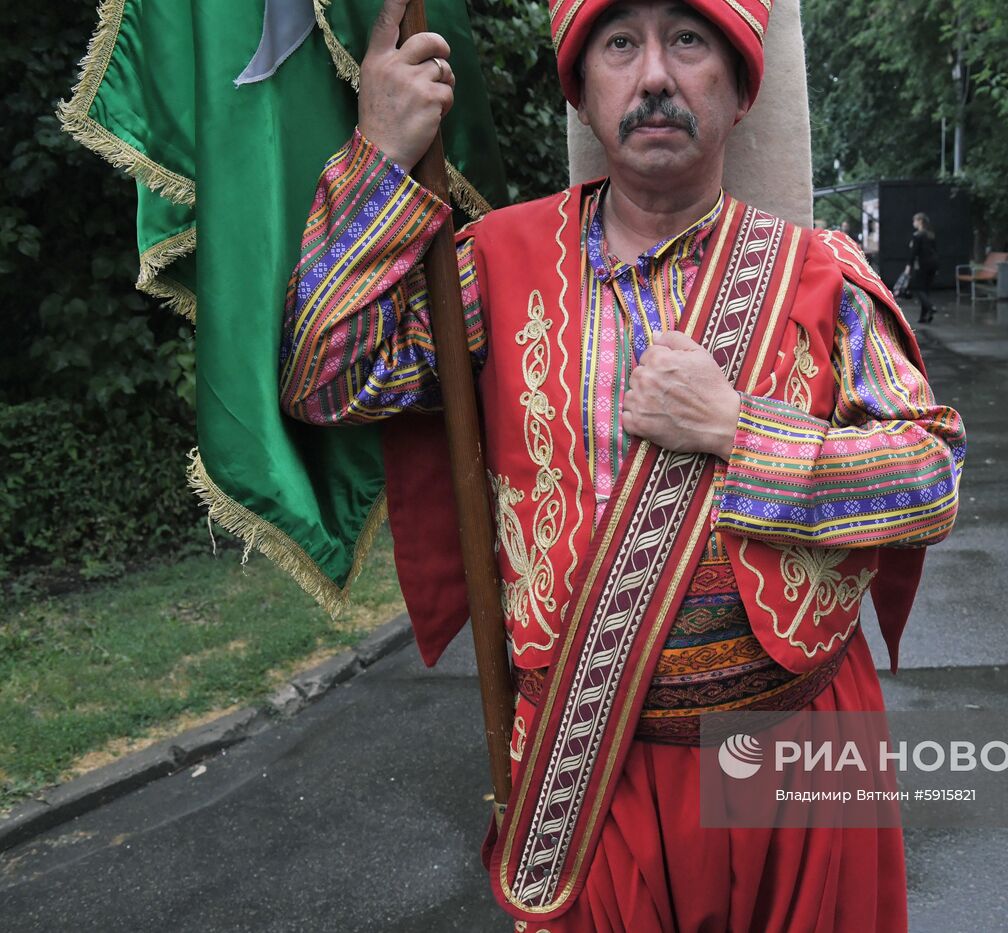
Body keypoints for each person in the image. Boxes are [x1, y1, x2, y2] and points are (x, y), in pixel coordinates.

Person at [278, 0, 967, 928]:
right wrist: (377, 157)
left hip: (799, 752)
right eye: (618, 45)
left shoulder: (821, 274)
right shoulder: (489, 265)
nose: (653, 76)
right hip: (588, 762)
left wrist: (739, 432)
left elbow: (930, 478)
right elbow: (328, 380)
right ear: (582, 88)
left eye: (687, 41)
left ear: (738, 87)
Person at [902, 212, 938, 323]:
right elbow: (935, 251)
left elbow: (914, 253)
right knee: (925, 290)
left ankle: (930, 307)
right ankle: (924, 317)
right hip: (933, 265)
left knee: (918, 289)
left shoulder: (917, 236)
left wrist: (909, 266)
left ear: (920, 221)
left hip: (922, 265)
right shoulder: (931, 235)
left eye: (915, 221)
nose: (913, 223)